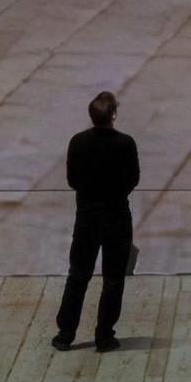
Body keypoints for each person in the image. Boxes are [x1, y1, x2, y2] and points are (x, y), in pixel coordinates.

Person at [54, 90, 139, 352]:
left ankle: (66, 333)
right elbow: (132, 179)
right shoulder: (125, 143)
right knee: (113, 279)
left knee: (78, 276)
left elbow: (71, 179)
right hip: (116, 217)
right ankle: (104, 336)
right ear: (113, 114)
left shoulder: (78, 142)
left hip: (87, 219)